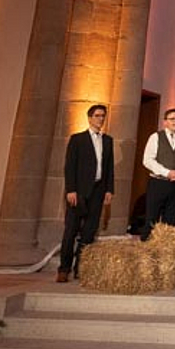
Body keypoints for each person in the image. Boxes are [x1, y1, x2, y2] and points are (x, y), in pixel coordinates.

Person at [58, 104, 115, 281]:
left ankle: (81, 267)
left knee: (89, 232)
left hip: (98, 190)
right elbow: (70, 166)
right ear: (89, 118)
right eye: (97, 116)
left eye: (103, 116)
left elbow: (109, 167)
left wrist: (109, 190)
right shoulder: (78, 139)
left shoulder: (107, 140)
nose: (101, 119)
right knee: (71, 231)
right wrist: (71, 189)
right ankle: (64, 269)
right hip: (79, 191)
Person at [141, 107, 175, 240]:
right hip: (158, 183)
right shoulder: (156, 137)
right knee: (151, 219)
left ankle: (163, 251)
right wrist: (167, 172)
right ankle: (145, 248)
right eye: (172, 119)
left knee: (170, 220)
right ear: (165, 122)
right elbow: (147, 160)